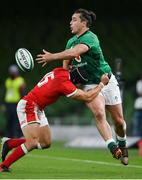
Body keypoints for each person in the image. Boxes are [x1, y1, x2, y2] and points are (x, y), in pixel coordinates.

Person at [36, 8, 128, 165]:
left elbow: (76, 52)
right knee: (99, 113)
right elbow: (65, 67)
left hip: (106, 79)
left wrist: (52, 56)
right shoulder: (70, 42)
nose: (70, 22)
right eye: (71, 20)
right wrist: (69, 78)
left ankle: (122, 144)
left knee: (119, 121)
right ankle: (112, 146)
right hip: (89, 84)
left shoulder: (91, 37)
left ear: (84, 23)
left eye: (74, 20)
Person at [0, 66, 109, 172]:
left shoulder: (61, 71)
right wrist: (101, 84)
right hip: (29, 106)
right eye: (80, 84)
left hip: (38, 107)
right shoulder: (65, 84)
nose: (79, 86)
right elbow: (87, 97)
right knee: (33, 142)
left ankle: (9, 143)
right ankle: (3, 166)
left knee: (45, 142)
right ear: (77, 81)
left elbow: (67, 61)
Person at [2, 64, 26, 138]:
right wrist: (3, 104)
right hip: (8, 103)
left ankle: (19, 135)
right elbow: (4, 92)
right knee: (9, 120)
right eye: (11, 72)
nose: (12, 73)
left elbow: (22, 93)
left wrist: (22, 103)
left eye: (14, 72)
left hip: (16, 103)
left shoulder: (20, 80)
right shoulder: (8, 80)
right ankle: (9, 136)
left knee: (17, 120)